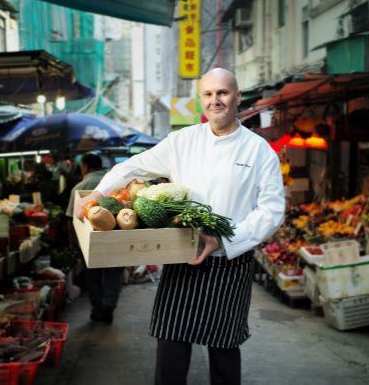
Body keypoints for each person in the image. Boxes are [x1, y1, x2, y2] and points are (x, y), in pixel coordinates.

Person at [74, 68, 285, 384]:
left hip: (231, 261)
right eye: (208, 94)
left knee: (224, 346)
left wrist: (224, 240)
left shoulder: (259, 151)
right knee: (171, 341)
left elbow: (271, 210)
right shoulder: (181, 141)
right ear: (201, 99)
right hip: (182, 254)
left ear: (238, 97)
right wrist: (97, 192)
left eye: (223, 93)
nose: (216, 100)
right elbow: (133, 166)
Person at [66, 152, 124, 323]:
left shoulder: (79, 187)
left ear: (84, 167)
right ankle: (109, 304)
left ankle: (97, 310)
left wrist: (72, 242)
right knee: (114, 272)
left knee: (93, 276)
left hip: (88, 241)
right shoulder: (116, 183)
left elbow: (70, 218)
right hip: (116, 237)